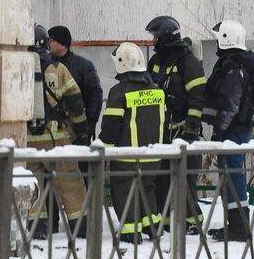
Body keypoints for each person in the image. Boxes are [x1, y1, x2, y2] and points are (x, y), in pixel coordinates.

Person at [202, 20, 254, 242]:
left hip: (233, 130)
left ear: (227, 38)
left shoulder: (234, 67)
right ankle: (235, 224)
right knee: (229, 175)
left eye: (220, 37)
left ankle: (239, 227)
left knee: (233, 174)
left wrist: (220, 129)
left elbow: (230, 103)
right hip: (238, 129)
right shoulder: (236, 64)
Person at [26, 24, 89, 240]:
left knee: (35, 185)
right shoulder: (59, 69)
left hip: (28, 141)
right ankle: (81, 228)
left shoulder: (19, 67)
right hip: (56, 139)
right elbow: (76, 102)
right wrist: (82, 133)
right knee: (70, 183)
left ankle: (38, 229)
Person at [99, 42, 166, 245]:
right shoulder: (157, 90)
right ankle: (152, 226)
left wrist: (103, 150)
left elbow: (111, 126)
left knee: (123, 190)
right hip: (153, 155)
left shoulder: (119, 92)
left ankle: (130, 231)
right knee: (147, 188)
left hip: (127, 157)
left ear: (122, 63)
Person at [145, 16, 206, 234]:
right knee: (161, 176)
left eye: (156, 37)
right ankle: (166, 220)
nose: (153, 41)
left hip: (182, 130)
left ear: (167, 37)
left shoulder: (186, 61)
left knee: (184, 177)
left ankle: (193, 221)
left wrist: (191, 127)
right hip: (161, 129)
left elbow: (197, 96)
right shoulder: (155, 62)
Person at [47, 26, 103, 142]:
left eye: (51, 41)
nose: (48, 44)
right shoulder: (45, 66)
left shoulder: (83, 66)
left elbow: (95, 95)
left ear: (62, 45)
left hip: (77, 132)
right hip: (51, 134)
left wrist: (89, 125)